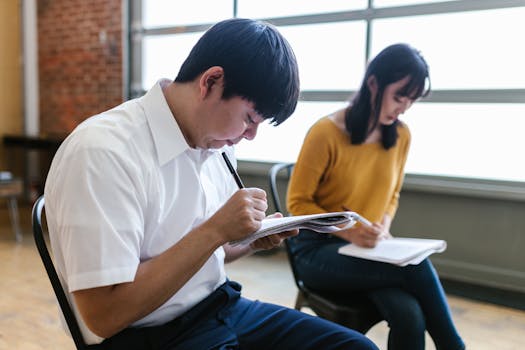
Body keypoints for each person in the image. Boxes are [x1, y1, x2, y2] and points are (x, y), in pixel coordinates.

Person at [44, 18, 378, 350]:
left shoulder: (217, 145)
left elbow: (209, 253)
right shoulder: (103, 152)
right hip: (146, 336)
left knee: (357, 347)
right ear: (211, 81)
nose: (249, 136)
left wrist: (249, 239)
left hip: (218, 308)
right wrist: (216, 230)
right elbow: (105, 315)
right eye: (249, 118)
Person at [287, 43, 465, 350]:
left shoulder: (401, 135)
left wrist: (382, 224)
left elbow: (392, 195)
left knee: (409, 314)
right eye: (399, 96)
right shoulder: (325, 133)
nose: (404, 107)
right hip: (317, 251)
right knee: (417, 266)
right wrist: (349, 232)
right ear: (373, 84)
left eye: (411, 100)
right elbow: (297, 203)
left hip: (370, 252)